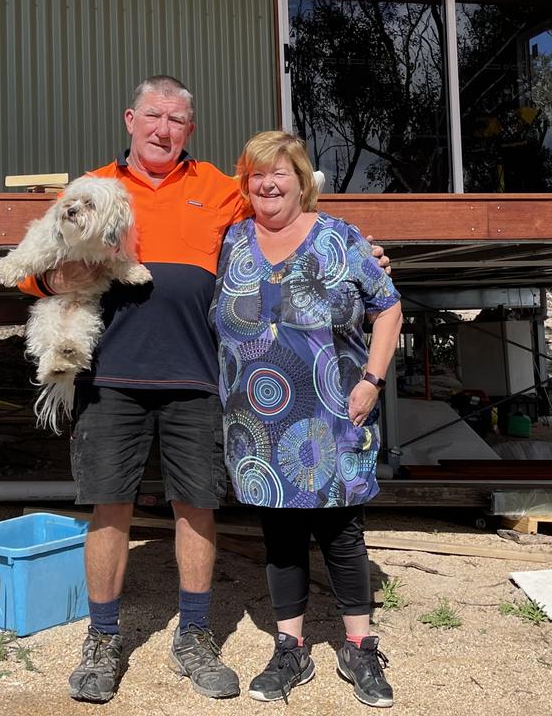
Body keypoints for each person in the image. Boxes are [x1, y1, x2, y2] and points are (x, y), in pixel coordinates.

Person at [16, 76, 389, 703]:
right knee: (109, 508)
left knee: (197, 506)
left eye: (178, 120)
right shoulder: (93, 188)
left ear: (190, 130)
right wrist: (57, 278)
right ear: (131, 119)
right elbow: (34, 266)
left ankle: (194, 636)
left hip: (197, 379)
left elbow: (286, 212)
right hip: (110, 379)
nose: (164, 129)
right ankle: (103, 641)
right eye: (154, 117)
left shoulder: (220, 188)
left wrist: (358, 251)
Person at [213, 131, 402, 708]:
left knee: (342, 534)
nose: (268, 184)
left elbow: (388, 306)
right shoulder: (230, 241)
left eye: (280, 174)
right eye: (256, 176)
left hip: (335, 415)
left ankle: (359, 645)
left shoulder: (342, 239)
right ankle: (289, 648)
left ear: (302, 180)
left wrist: (371, 380)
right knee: (281, 537)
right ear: (246, 186)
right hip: (259, 422)